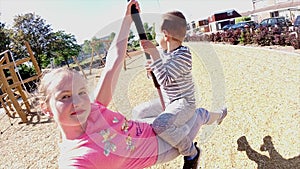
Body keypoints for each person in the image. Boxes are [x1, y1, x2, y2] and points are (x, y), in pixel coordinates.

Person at [38, 1, 227, 169]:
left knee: (189, 115)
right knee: (161, 114)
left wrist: (128, 19)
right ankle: (202, 135)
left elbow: (113, 61)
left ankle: (195, 146)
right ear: (45, 108)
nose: (78, 101)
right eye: (65, 96)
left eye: (81, 92)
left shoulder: (93, 107)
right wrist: (155, 61)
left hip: (174, 108)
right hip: (163, 146)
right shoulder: (76, 159)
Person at [133, 10, 227, 169]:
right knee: (138, 112)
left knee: (160, 124)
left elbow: (165, 79)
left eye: (156, 36)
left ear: (165, 35)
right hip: (169, 100)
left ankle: (190, 152)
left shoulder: (183, 54)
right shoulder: (163, 52)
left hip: (184, 102)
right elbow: (157, 77)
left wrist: (155, 56)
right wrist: (150, 70)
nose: (155, 41)